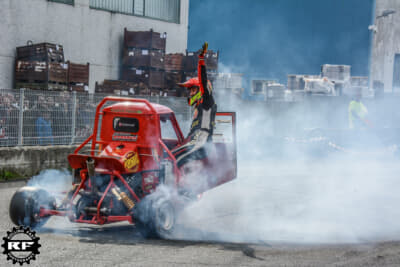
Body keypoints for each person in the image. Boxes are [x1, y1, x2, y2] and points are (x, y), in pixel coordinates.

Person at [172, 42, 217, 169]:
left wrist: (201, 60)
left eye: (193, 90)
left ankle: (170, 188)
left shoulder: (207, 101)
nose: (190, 93)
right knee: (168, 156)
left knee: (174, 161)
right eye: (189, 90)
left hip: (202, 144)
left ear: (201, 90)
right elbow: (193, 133)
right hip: (195, 142)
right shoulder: (198, 106)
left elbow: (202, 80)